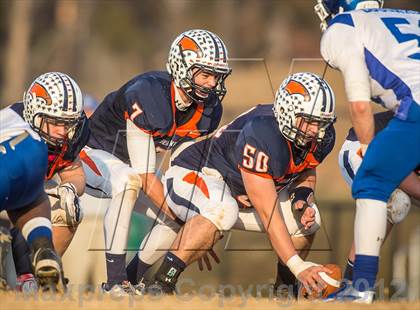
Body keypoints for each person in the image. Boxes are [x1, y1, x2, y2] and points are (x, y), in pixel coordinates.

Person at [130, 72, 337, 296]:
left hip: (239, 194)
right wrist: (299, 267)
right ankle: (161, 284)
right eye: (309, 121)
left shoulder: (320, 137)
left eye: (321, 122)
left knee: (309, 219)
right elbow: (268, 212)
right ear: (288, 111)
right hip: (197, 173)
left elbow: (306, 167)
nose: (316, 130)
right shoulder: (262, 133)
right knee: (222, 209)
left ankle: (284, 291)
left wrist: (302, 197)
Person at [80, 29, 232, 295]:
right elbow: (146, 178)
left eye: (216, 76)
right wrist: (187, 222)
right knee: (128, 182)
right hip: (93, 156)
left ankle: (132, 279)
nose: (211, 83)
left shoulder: (208, 110)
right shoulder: (148, 93)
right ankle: (114, 283)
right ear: (182, 67)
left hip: (132, 169)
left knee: (176, 211)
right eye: (205, 74)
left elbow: (182, 166)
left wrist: (196, 224)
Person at [315, 0, 420, 303]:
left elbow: (360, 105)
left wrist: (369, 152)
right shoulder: (408, 16)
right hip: (409, 110)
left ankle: (359, 288)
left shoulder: (343, 27)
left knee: (371, 179)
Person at [6, 72, 89, 292]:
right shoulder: (13, 128)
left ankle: (41, 272)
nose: (62, 132)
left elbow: (74, 173)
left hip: (26, 196)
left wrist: (69, 189)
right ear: (34, 113)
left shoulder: (70, 135)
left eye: (68, 123)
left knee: (69, 206)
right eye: (55, 122)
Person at [337, 111, 420, 289]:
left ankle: (352, 283)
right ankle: (355, 285)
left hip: (389, 158)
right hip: (362, 146)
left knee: (396, 203)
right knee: (391, 201)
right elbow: (400, 168)